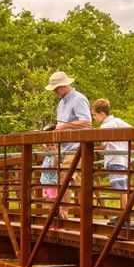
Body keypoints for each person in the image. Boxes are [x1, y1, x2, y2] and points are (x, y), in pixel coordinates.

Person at [43, 71, 91, 217]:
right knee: (73, 180)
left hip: (76, 145)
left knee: (65, 176)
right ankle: (82, 213)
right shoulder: (62, 102)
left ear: (64, 85)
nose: (55, 92)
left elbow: (87, 122)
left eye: (56, 88)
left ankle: (63, 212)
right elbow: (61, 124)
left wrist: (63, 126)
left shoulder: (79, 99)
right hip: (63, 146)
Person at [92, 98, 134, 226]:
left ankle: (125, 216)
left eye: (94, 115)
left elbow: (104, 144)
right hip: (124, 159)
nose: (94, 118)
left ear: (102, 114)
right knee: (124, 188)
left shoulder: (105, 126)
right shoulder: (118, 121)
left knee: (120, 189)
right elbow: (132, 130)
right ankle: (123, 215)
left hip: (114, 160)